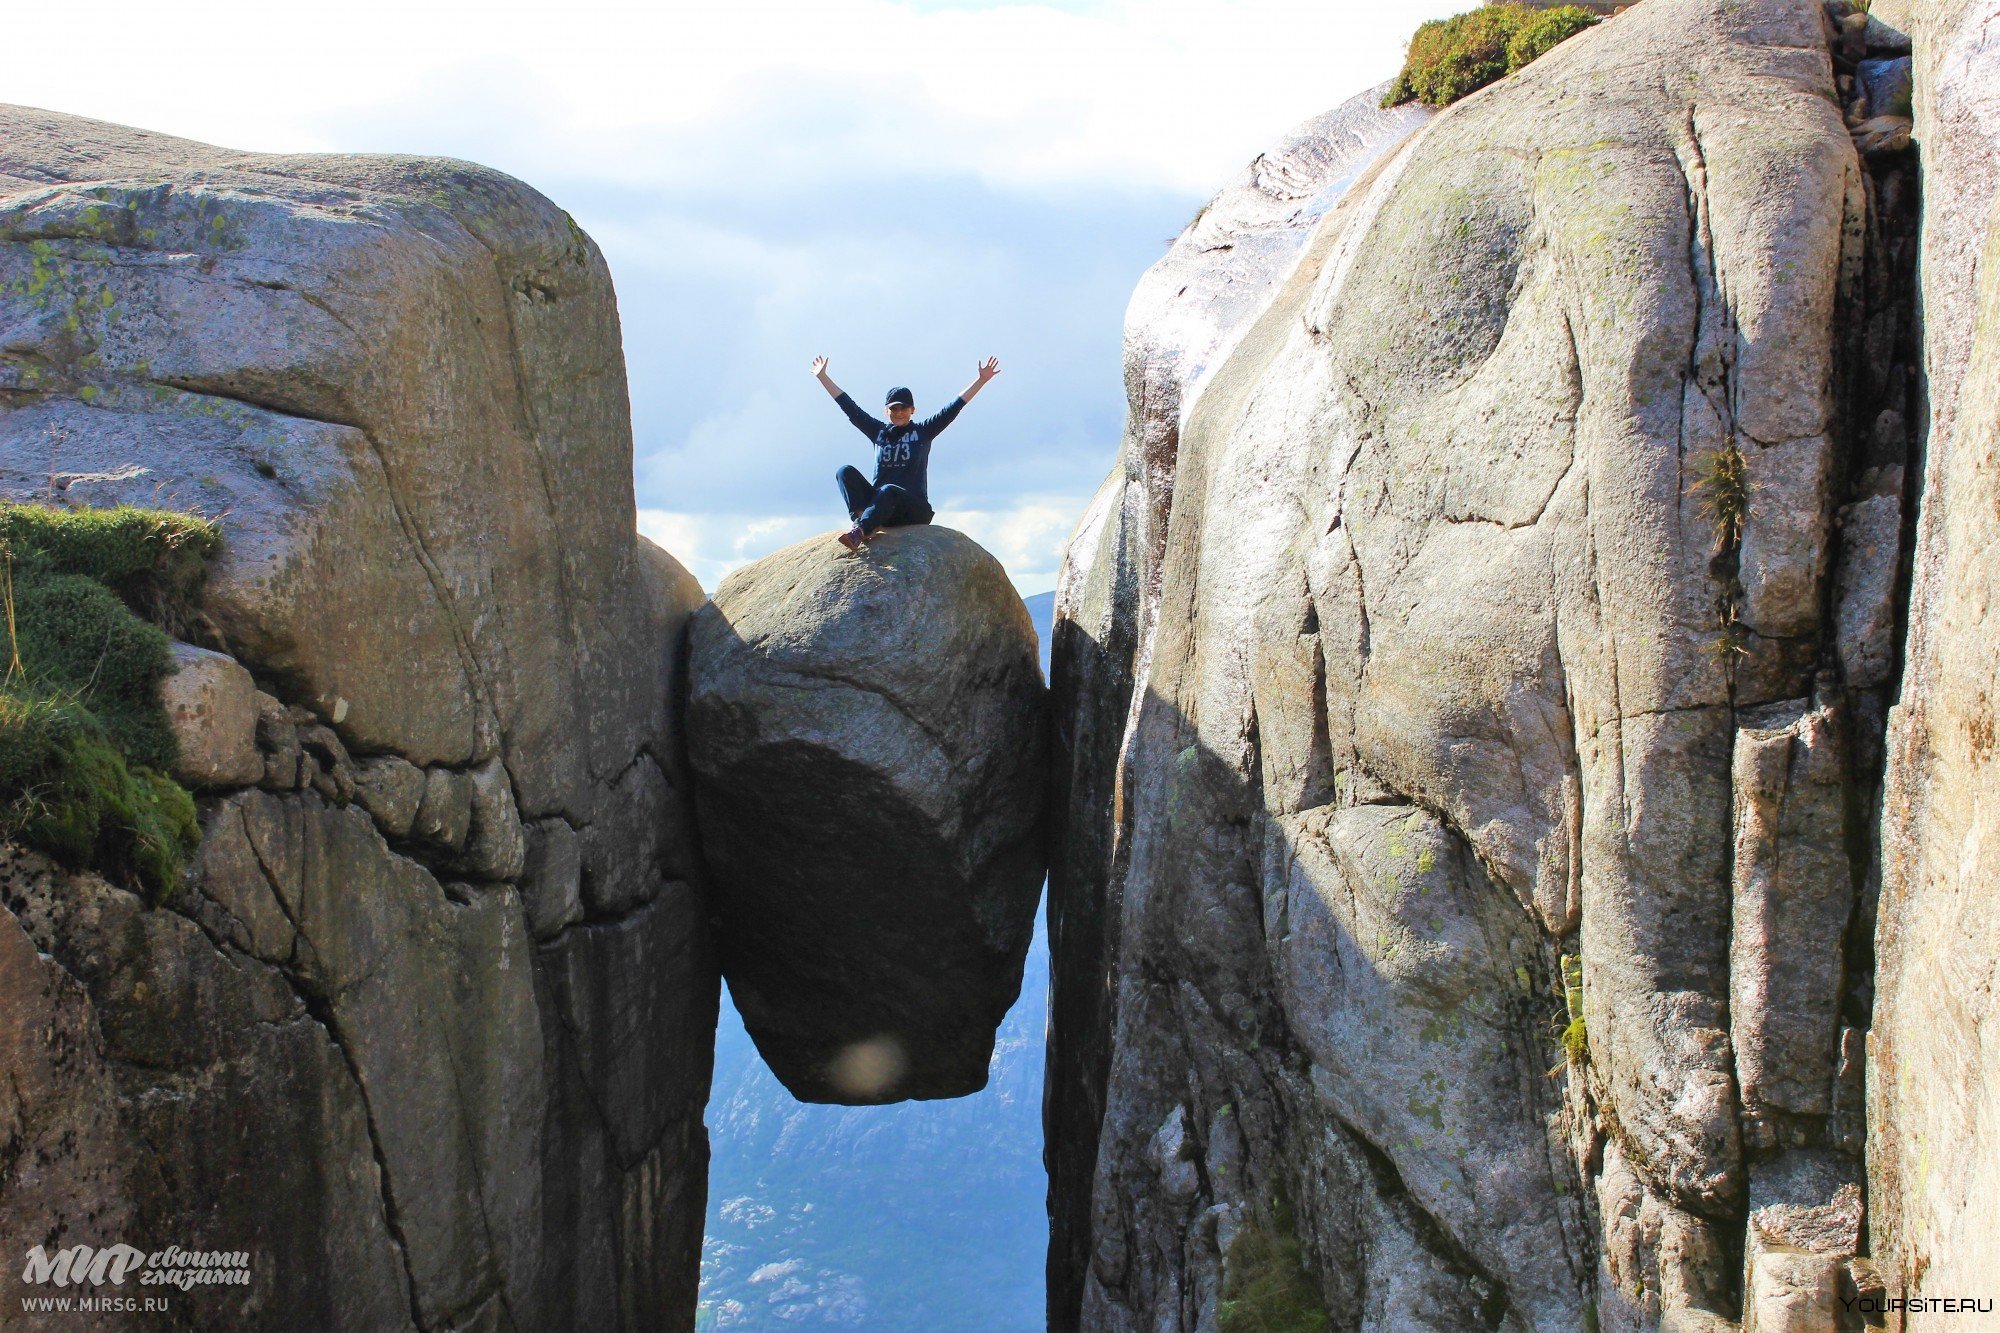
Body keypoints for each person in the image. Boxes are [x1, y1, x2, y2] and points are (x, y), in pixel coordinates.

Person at [811, 355, 1000, 551]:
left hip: (912, 509)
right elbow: (849, 406)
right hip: (881, 507)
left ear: (912, 410)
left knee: (888, 490)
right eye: (894, 408)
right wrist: (822, 377)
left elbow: (954, 407)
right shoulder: (878, 432)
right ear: (886, 411)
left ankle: (861, 530)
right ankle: (863, 520)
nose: (899, 412)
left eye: (904, 408)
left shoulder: (923, 431)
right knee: (845, 471)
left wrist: (981, 380)